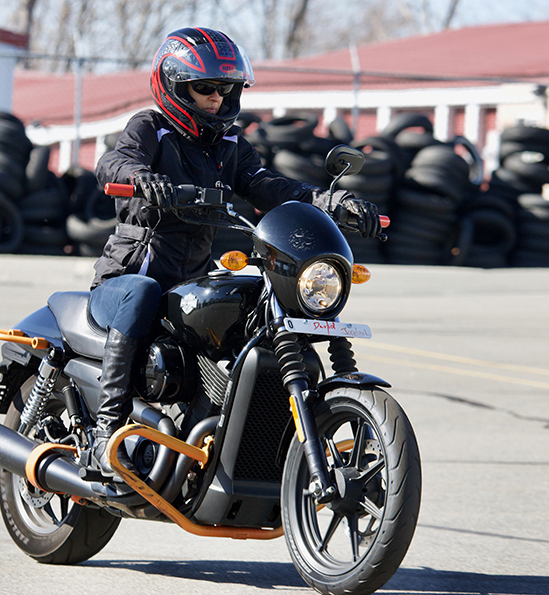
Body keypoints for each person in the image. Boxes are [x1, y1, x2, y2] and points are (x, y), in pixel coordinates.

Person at [89, 26, 381, 476]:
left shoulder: (230, 146)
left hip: (189, 281)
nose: (215, 98)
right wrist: (140, 177)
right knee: (144, 291)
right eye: (203, 87)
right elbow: (114, 161)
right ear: (173, 84)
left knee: (246, 304)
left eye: (225, 89)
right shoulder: (149, 128)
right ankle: (105, 434)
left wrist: (331, 202)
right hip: (125, 280)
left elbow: (269, 187)